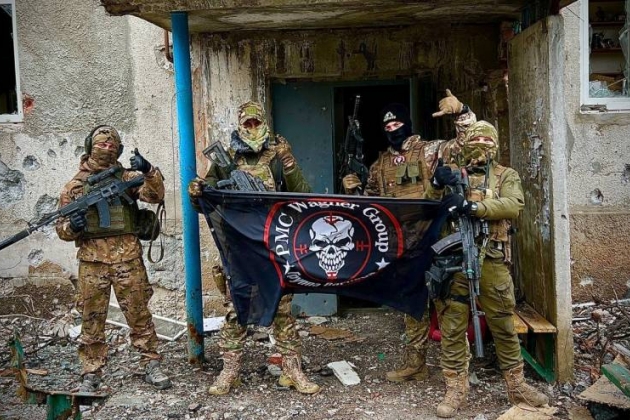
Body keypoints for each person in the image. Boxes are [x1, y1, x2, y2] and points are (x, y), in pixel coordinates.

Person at [342, 90, 476, 383]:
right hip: (404, 245)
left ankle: (456, 373)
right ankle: (416, 364)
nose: (393, 129)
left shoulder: (429, 151)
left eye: (397, 124)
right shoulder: (380, 166)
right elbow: (370, 206)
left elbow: (465, 146)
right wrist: (352, 189)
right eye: (388, 126)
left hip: (435, 242)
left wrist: (462, 112)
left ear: (407, 124)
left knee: (447, 307)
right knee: (412, 307)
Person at [188, 101, 319, 395]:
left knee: (281, 308)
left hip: (273, 242)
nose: (251, 128)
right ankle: (229, 371)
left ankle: (292, 371)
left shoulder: (277, 155)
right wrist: (196, 193)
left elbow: (304, 195)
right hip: (238, 245)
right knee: (237, 308)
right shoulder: (226, 159)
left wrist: (288, 161)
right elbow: (206, 200)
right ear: (239, 125)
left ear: (264, 124)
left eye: (256, 122)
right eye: (246, 123)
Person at [426, 120, 549, 418]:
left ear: (495, 145)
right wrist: (437, 184)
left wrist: (473, 208)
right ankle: (455, 388)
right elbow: (427, 206)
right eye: (476, 139)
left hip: (491, 260)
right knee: (452, 326)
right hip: (454, 261)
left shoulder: (506, 175)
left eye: (487, 140)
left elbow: (512, 205)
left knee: (503, 324)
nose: (481, 144)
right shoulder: (453, 174)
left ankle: (517, 386)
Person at [56, 125, 171, 392]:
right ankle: (91, 371)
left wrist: (149, 171)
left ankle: (150, 362)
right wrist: (72, 226)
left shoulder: (127, 178)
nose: (106, 149)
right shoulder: (75, 187)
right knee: (91, 318)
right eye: (101, 145)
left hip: (127, 258)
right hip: (92, 263)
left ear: (118, 150)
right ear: (90, 147)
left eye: (112, 146)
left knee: (139, 314)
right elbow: (61, 230)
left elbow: (155, 196)